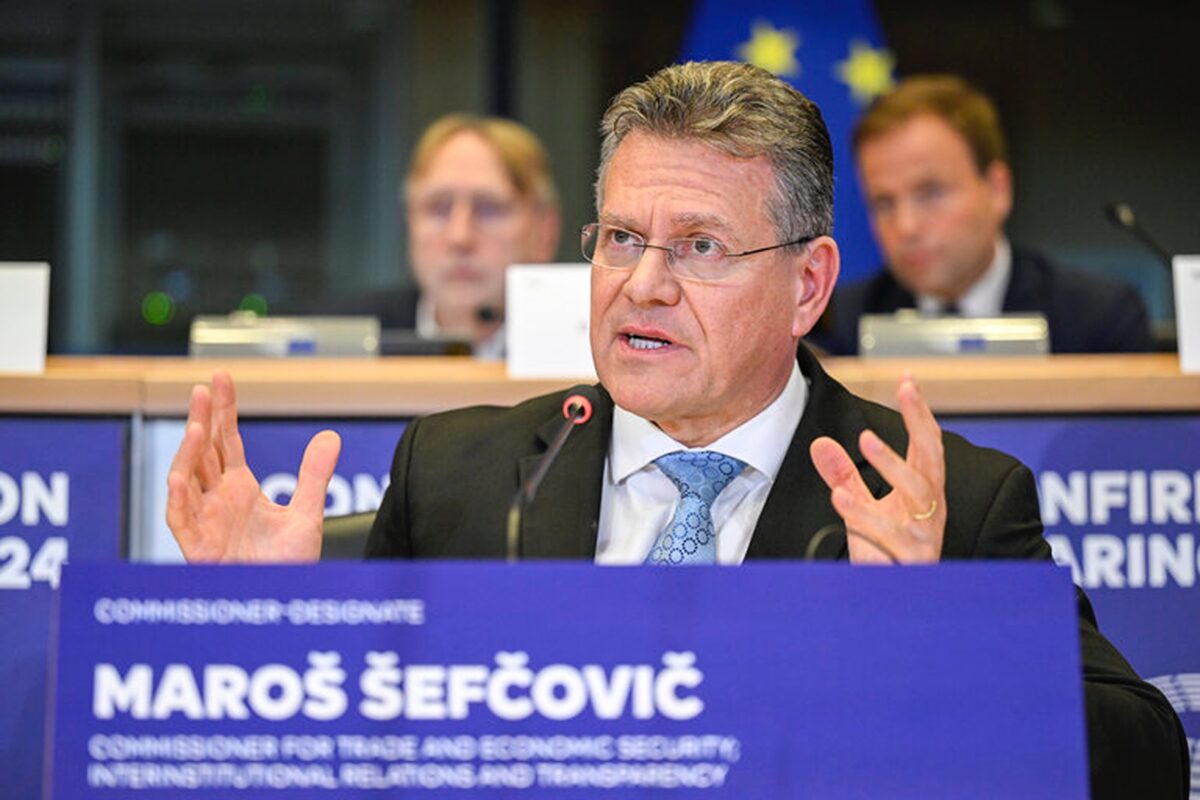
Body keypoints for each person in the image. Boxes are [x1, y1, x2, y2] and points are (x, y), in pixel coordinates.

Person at [166, 62, 1187, 797]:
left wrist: (939, 635)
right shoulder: (460, 473)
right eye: (621, 237)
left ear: (809, 284)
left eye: (700, 246)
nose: (642, 284)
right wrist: (261, 622)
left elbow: (1144, 759)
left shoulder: (934, 500)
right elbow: (348, 754)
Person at [813, 75, 1155, 356]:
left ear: (997, 190)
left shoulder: (1097, 321)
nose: (906, 226)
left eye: (931, 193)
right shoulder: (837, 326)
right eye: (884, 203)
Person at [336, 114, 561, 358]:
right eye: (438, 208)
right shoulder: (339, 341)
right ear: (409, 221)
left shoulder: (580, 353)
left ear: (544, 232)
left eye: (489, 209)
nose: (459, 237)